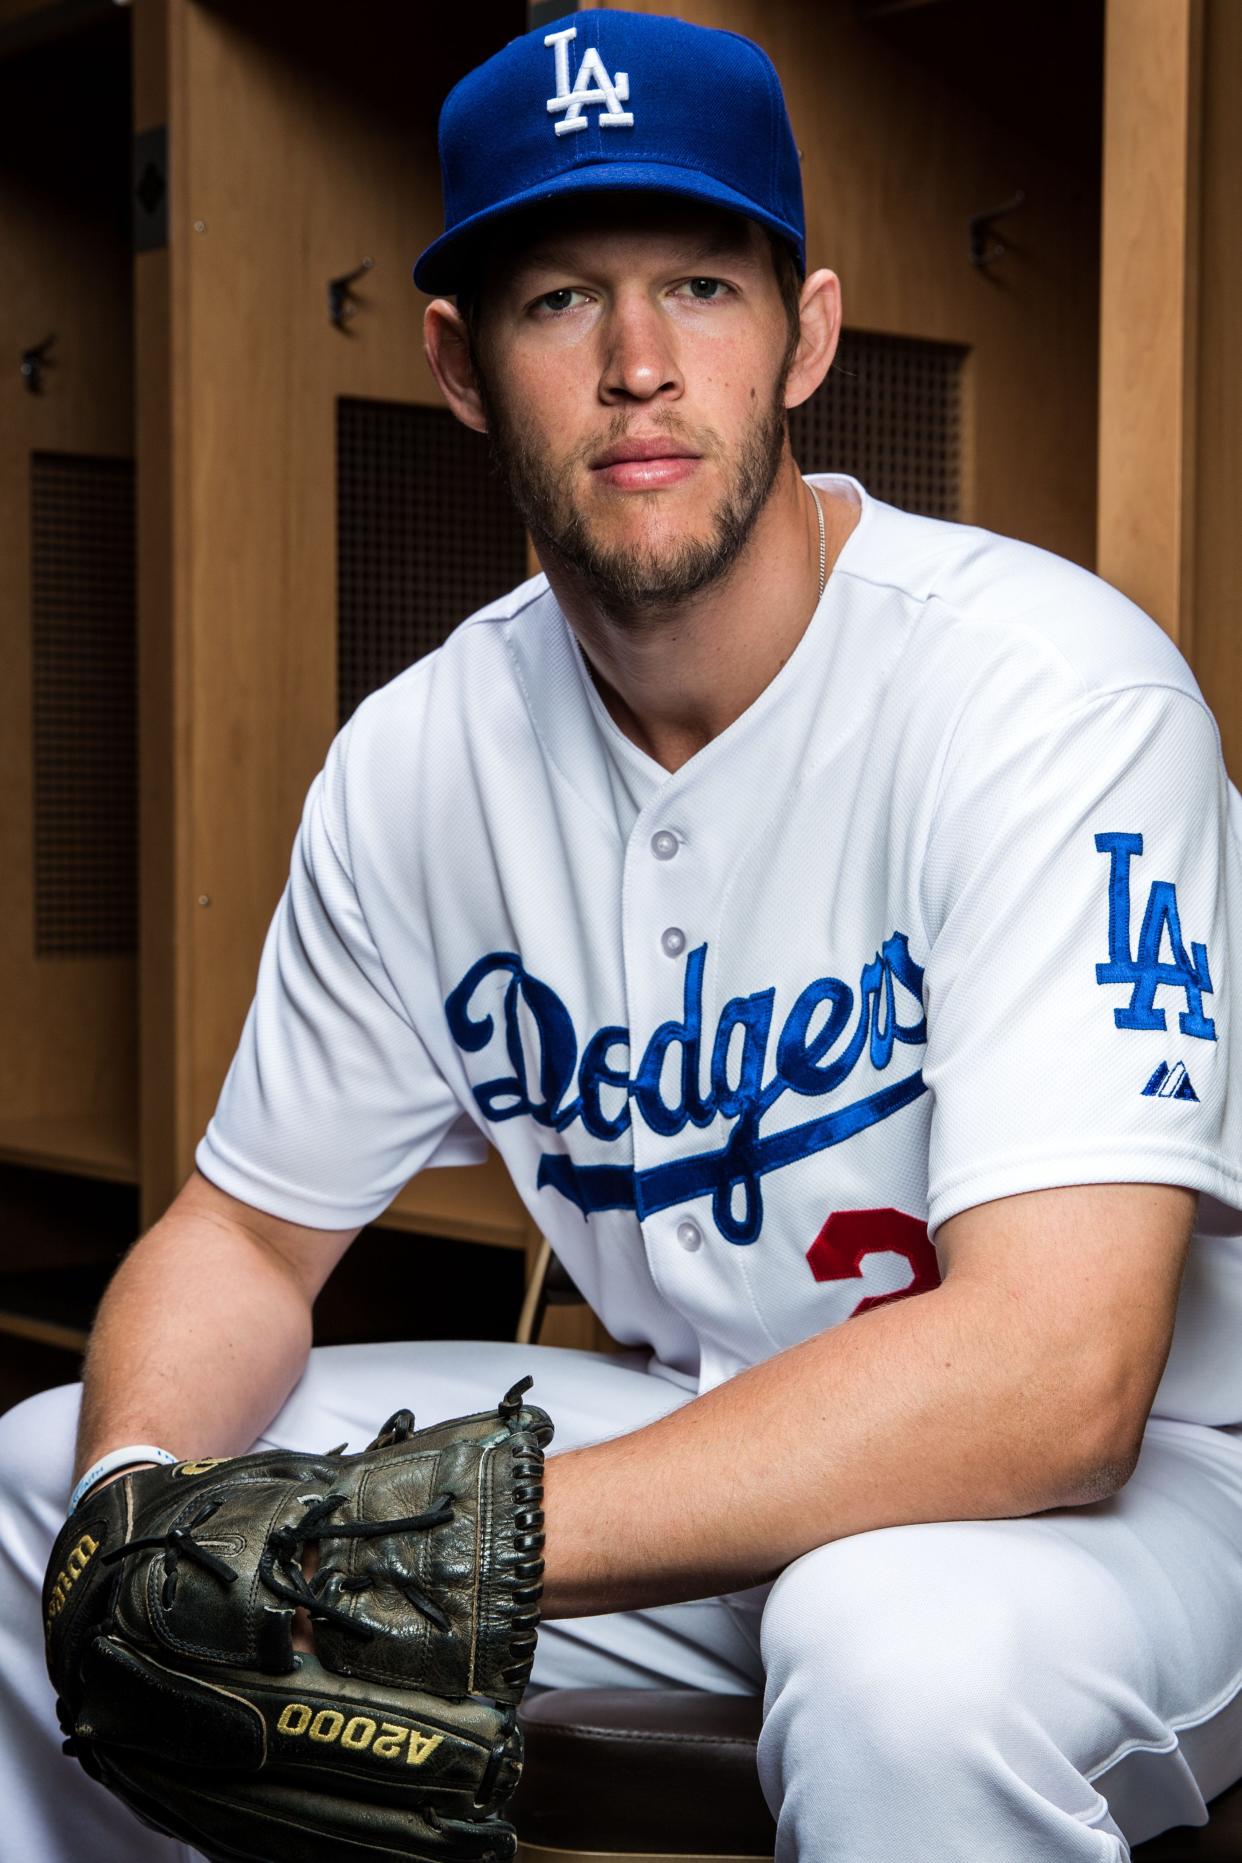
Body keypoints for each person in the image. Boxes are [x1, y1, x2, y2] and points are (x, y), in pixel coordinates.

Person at [4, 10, 1242, 1859]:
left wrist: (422, 1552)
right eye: (562, 300)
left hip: (1128, 1500)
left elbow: (1057, 1379)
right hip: (706, 1433)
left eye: (699, 286)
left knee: (895, 1651)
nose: (641, 364)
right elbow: (250, 1239)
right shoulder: (419, 756)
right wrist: (137, 1532)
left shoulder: (1044, 693)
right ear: (459, 365)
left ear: (805, 333)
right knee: (42, 1488)